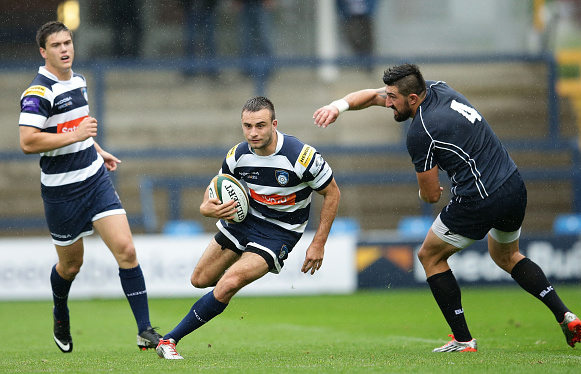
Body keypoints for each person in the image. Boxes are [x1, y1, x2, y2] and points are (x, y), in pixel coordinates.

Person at [313, 63, 581, 352]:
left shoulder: (420, 132)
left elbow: (430, 196)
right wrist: (337, 106)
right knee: (507, 256)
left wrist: (425, 190)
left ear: (413, 99)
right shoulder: (439, 88)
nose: (387, 101)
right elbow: (372, 96)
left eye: (392, 98)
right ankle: (563, 313)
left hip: (480, 198)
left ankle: (463, 340)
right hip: (513, 184)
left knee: (429, 255)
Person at [155, 96, 341, 359]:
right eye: (247, 126)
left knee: (229, 282)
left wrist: (318, 242)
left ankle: (169, 340)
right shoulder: (237, 155)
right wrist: (205, 207)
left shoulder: (302, 157)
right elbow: (217, 185)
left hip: (280, 232)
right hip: (243, 221)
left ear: (274, 124)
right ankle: (222, 292)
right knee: (200, 280)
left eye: (261, 125)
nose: (253, 133)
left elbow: (333, 194)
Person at [18, 21, 161, 353]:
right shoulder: (38, 93)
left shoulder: (78, 81)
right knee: (71, 266)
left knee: (126, 250)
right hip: (61, 193)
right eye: (56, 45)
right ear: (43, 52)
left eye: (68, 43)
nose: (65, 49)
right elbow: (27, 141)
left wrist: (94, 148)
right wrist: (78, 137)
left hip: (94, 179)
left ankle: (144, 330)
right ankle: (60, 310)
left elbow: (75, 129)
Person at [232, 0, 275, 79]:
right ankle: (247, 70)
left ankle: (267, 69)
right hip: (246, 6)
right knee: (246, 40)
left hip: (261, 5)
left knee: (264, 39)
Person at [178, 0, 220, 78]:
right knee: (190, 42)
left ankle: (211, 70)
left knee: (209, 42)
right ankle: (189, 70)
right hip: (191, 10)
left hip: (207, 9)